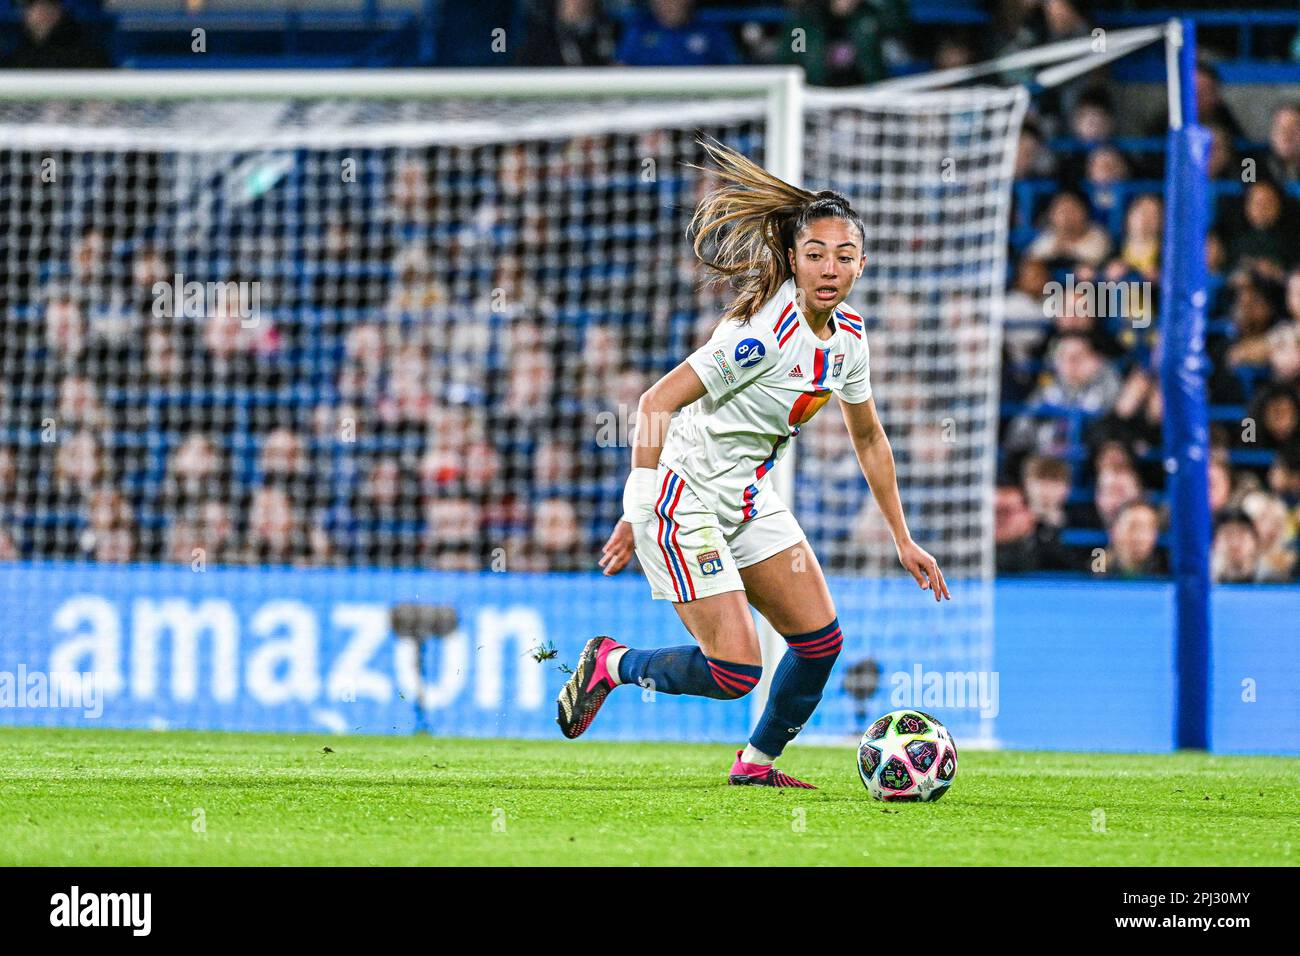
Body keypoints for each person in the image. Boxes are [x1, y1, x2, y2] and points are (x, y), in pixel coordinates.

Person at [555, 141, 949, 787]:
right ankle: (612, 662)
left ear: (862, 264)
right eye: (815, 254)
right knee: (736, 672)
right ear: (793, 259)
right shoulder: (763, 334)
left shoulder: (848, 337)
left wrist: (902, 537)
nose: (829, 267)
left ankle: (756, 765)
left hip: (745, 496)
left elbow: (870, 438)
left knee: (820, 643)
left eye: (843, 256)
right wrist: (640, 505)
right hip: (683, 497)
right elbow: (655, 402)